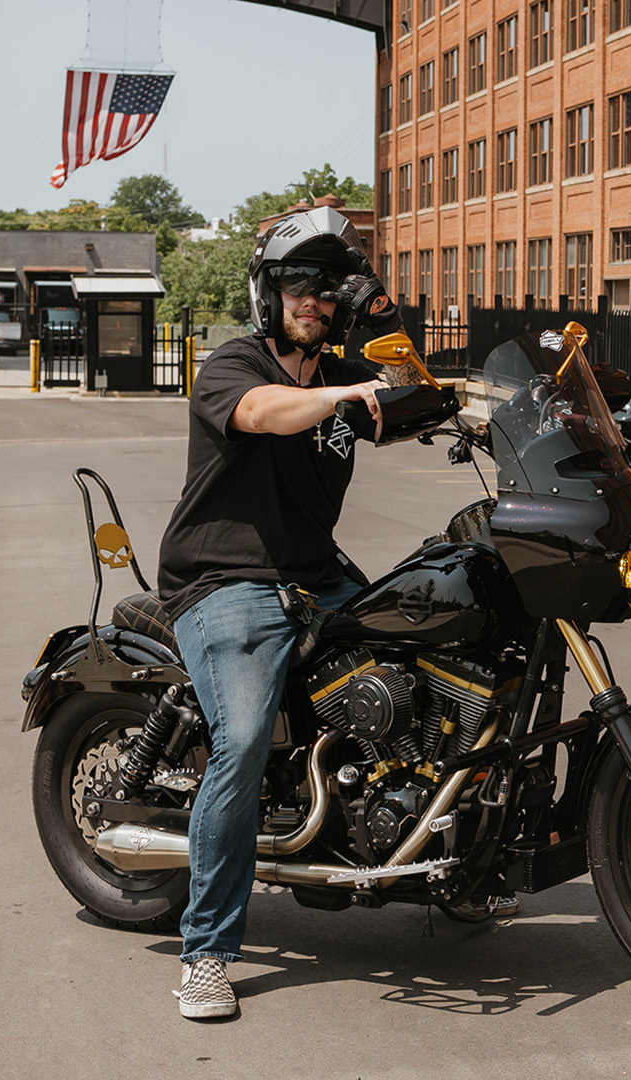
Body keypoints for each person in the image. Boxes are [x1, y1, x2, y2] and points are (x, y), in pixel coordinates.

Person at [156, 207, 458, 1020]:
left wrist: (392, 329)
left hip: (314, 574)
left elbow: (423, 401)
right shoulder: (235, 364)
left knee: (429, 654)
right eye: (299, 285)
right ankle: (207, 954)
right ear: (268, 292)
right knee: (245, 738)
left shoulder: (342, 374)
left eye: (328, 291)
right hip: (225, 576)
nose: (314, 302)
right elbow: (261, 414)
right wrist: (348, 390)